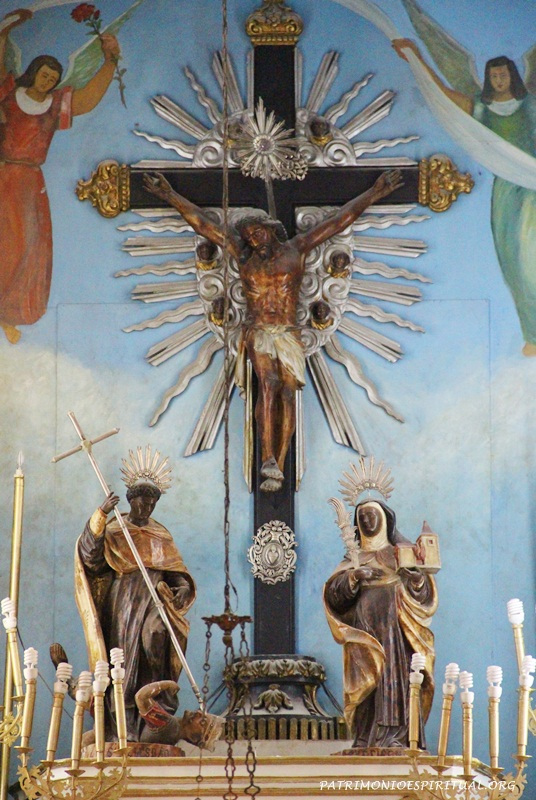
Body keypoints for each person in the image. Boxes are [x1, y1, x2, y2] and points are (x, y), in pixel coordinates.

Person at [143, 169, 403, 491]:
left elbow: (338, 222)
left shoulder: (298, 249)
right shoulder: (243, 256)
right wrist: (169, 195)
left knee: (288, 393)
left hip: (289, 330)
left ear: (271, 230)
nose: (253, 240)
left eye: (256, 234)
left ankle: (279, 461)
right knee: (267, 384)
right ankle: (267, 457)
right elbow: (204, 225)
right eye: (249, 237)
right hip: (259, 330)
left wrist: (375, 192)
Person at [393, 37, 536, 357]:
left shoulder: (531, 106)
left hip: (533, 185)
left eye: (504, 74)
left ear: (513, 75)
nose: (499, 80)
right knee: (512, 260)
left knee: (531, 260)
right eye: (494, 75)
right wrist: (415, 57)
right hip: (506, 189)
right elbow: (444, 96)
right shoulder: (481, 109)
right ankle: (532, 332)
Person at [0, 8, 121, 345]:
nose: (49, 80)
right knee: (5, 244)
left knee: (32, 249)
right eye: (45, 74)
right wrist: (5, 34)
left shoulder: (54, 106)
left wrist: (109, 62)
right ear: (33, 72)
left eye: (54, 77)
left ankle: (12, 314)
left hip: (32, 183)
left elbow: (88, 99)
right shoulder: (10, 95)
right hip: (4, 177)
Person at [75, 479, 196, 742]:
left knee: (155, 634)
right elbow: (92, 560)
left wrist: (183, 587)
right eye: (142, 503)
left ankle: (156, 701)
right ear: (132, 501)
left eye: (152, 504)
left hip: (156, 597)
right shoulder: (116, 529)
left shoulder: (160, 533)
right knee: (124, 660)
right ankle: (124, 724)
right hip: (125, 600)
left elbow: (175, 572)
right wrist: (101, 515)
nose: (147, 509)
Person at [323, 499, 437, 750]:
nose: (367, 520)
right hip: (365, 634)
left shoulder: (400, 554)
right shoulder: (353, 560)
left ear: (385, 520)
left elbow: (423, 592)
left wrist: (415, 578)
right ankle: (364, 736)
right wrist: (353, 576)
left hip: (396, 632)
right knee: (367, 681)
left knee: (396, 681)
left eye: (372, 514)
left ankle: (395, 737)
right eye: (362, 516)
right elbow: (334, 596)